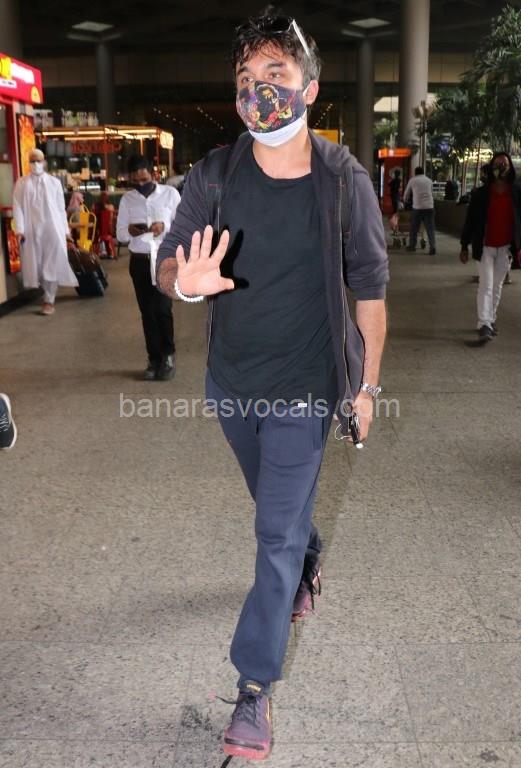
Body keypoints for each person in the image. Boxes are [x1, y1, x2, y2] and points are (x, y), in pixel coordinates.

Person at [156, 8, 388, 760]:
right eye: (246, 78)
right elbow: (169, 257)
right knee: (279, 511)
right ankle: (308, 552)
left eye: (276, 75)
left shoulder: (342, 181)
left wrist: (366, 388)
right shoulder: (214, 175)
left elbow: (370, 294)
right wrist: (182, 283)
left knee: (272, 532)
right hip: (233, 383)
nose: (259, 91)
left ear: (309, 88)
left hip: (305, 385)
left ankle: (253, 688)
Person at [116, 156, 181, 380]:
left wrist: (165, 225)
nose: (140, 183)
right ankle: (153, 359)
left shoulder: (170, 194)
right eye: (135, 180)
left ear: (153, 174)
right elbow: (120, 234)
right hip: (140, 261)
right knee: (147, 312)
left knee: (163, 309)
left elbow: (183, 225)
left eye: (144, 178)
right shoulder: (127, 200)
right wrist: (131, 231)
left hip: (163, 259)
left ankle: (168, 356)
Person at [460, 152, 521, 342]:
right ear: (491, 167)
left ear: (510, 168)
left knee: (497, 286)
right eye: (497, 164)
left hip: (506, 248)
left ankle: (491, 319)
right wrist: (464, 245)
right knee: (486, 285)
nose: (501, 168)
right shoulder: (481, 194)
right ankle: (483, 324)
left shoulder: (516, 192)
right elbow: (470, 221)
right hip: (485, 247)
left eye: (505, 164)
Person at [13, 148, 78, 315]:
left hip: (52, 229)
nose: (36, 164)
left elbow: (60, 209)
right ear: (28, 163)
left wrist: (65, 231)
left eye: (38, 161)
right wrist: (20, 229)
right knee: (38, 265)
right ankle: (46, 293)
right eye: (32, 161)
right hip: (31, 230)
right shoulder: (21, 183)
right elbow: (17, 207)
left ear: (44, 162)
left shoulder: (54, 183)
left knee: (51, 263)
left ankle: (49, 300)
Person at [404, 166, 436, 255]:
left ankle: (412, 246)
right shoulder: (429, 180)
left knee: (414, 228)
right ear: (423, 172)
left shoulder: (413, 180)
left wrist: (405, 201)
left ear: (415, 173)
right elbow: (431, 193)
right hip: (429, 207)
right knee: (430, 229)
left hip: (417, 208)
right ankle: (432, 247)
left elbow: (406, 194)